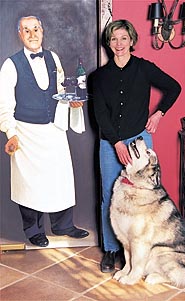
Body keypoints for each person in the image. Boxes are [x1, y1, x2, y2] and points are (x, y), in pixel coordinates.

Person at [92, 19, 181, 273]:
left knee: (145, 198)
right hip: (110, 143)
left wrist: (159, 113)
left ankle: (143, 248)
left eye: (123, 38)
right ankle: (111, 250)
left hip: (139, 142)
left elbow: (174, 87)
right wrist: (116, 143)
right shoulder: (98, 77)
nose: (118, 44)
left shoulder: (144, 69)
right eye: (113, 39)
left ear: (131, 41)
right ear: (108, 44)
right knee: (110, 196)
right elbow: (99, 114)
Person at [0, 15, 89, 247]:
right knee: (29, 183)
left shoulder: (53, 58)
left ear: (43, 31)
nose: (32, 34)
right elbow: (4, 103)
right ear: (19, 34)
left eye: (36, 29)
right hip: (26, 132)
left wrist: (72, 102)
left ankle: (63, 225)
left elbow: (60, 90)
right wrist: (11, 133)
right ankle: (34, 230)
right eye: (26, 30)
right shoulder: (11, 64)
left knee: (60, 177)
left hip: (53, 128)